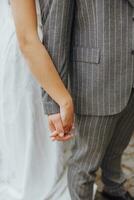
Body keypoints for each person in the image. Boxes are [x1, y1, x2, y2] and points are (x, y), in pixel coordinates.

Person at [39, 0, 134, 199]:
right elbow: (55, 32)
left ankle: (112, 187)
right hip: (96, 81)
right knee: (85, 164)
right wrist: (53, 102)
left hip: (130, 79)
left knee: (117, 147)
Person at [0, 0, 75, 199]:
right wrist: (64, 100)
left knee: (38, 141)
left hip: (37, 51)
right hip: (29, 59)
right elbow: (26, 39)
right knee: (30, 135)